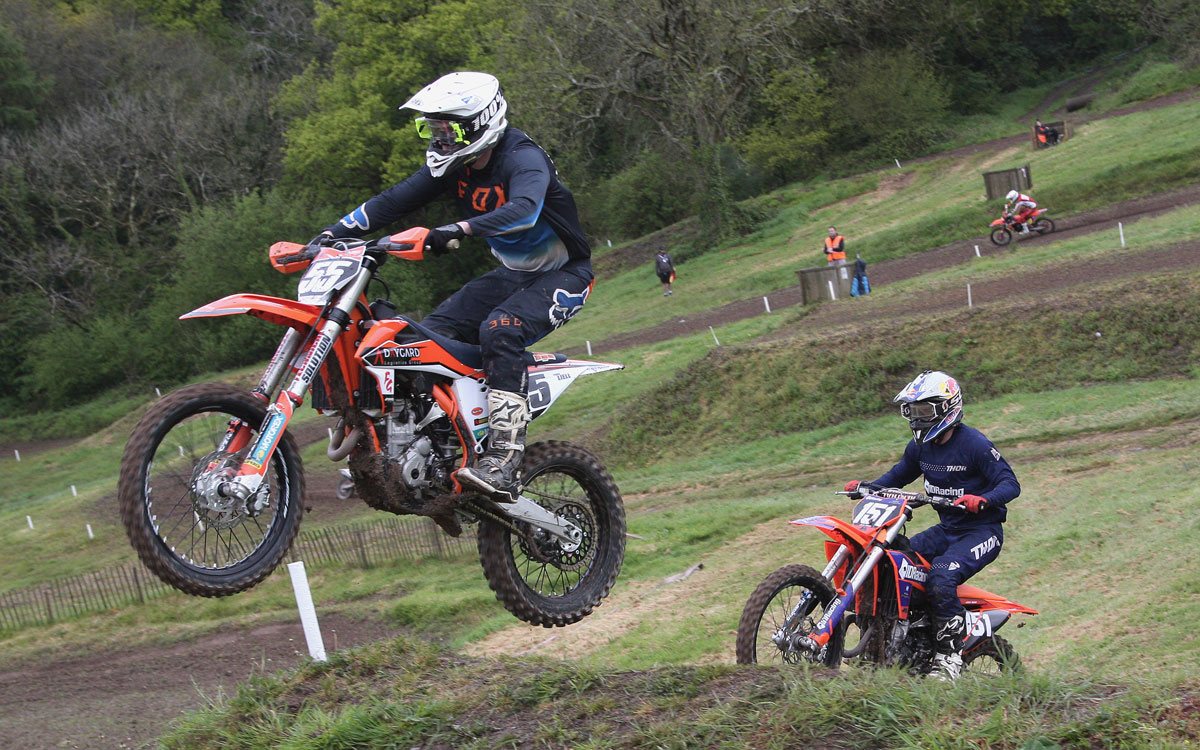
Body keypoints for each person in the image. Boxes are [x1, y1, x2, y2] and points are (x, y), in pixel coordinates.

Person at [314, 71, 593, 503]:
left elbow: (523, 209)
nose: (441, 140)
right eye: (434, 130)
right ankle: (423, 447)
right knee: (421, 340)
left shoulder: (522, 157)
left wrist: (455, 229)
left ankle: (503, 458)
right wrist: (330, 234)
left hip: (564, 275)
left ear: (483, 122)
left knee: (500, 329)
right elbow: (392, 201)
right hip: (512, 274)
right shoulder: (454, 166)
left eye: (450, 130)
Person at [844, 371, 1019, 681]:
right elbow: (898, 476)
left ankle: (949, 657)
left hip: (982, 531)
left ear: (947, 407)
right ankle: (900, 638)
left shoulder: (974, 444)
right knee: (893, 562)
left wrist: (983, 499)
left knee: (941, 574)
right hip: (947, 529)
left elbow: (1010, 483)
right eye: (913, 411)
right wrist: (868, 487)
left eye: (924, 410)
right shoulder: (920, 448)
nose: (917, 418)